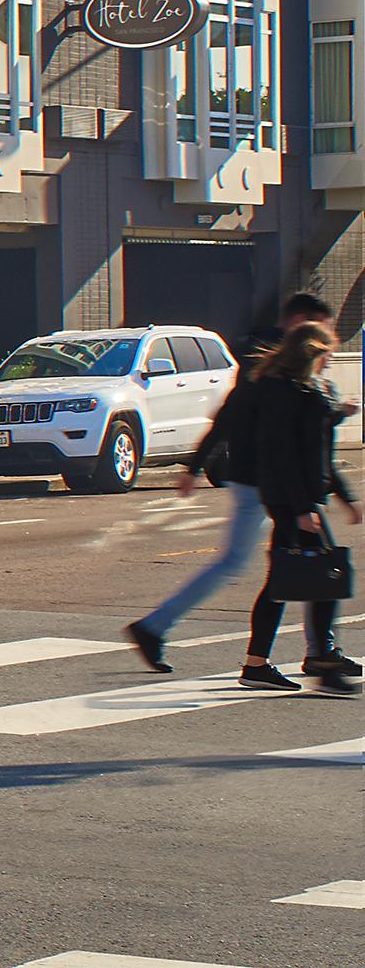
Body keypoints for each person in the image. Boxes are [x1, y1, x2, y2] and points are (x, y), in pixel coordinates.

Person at [129, 294, 344, 674]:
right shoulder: (270, 369)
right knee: (272, 562)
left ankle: (317, 651)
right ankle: (157, 628)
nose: (326, 337)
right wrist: (196, 467)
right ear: (300, 322)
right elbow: (233, 418)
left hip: (271, 483)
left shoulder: (285, 368)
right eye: (321, 327)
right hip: (262, 482)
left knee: (308, 560)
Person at [236, 321, 359, 695]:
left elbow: (316, 452)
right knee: (321, 575)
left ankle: (271, 661)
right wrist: (303, 508)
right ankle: (316, 658)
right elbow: (285, 455)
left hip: (299, 499)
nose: (330, 360)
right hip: (292, 500)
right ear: (311, 352)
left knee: (303, 577)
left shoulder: (302, 389)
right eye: (326, 354)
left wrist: (344, 495)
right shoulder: (283, 391)